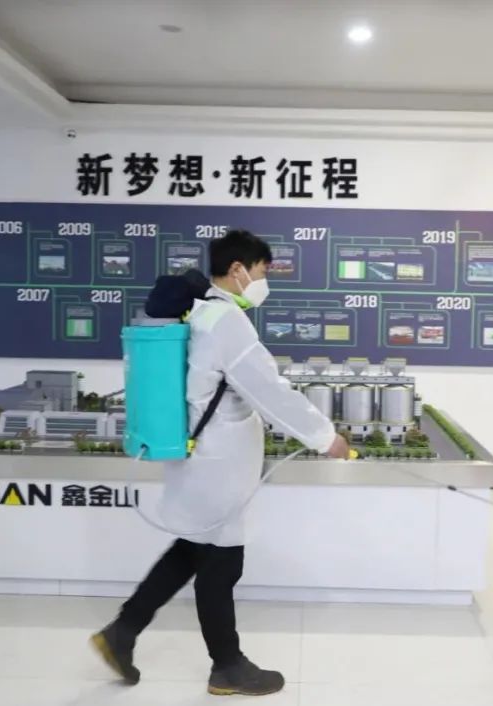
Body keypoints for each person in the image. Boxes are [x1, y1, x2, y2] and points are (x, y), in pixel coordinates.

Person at [92, 229, 350, 696]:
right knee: (222, 563)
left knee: (192, 550)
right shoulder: (228, 322)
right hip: (219, 464)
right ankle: (227, 665)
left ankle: (121, 633)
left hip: (201, 457)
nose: (264, 282)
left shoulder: (200, 312)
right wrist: (325, 437)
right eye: (263, 272)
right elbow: (268, 389)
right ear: (238, 269)